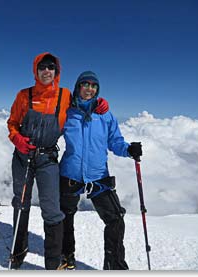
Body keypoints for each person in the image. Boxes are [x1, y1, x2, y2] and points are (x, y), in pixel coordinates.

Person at [7, 53, 110, 270]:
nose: (47, 71)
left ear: (56, 71)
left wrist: (99, 102)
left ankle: (53, 263)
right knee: (21, 202)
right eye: (42, 67)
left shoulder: (64, 96)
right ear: (36, 70)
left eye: (51, 68)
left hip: (47, 159)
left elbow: (85, 102)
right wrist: (17, 139)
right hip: (22, 158)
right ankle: (18, 250)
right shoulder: (24, 95)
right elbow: (13, 123)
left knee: (52, 209)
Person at [59, 71, 142, 270]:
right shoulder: (67, 113)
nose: (89, 88)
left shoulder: (106, 115)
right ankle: (66, 257)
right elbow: (51, 133)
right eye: (85, 84)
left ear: (97, 90)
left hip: (98, 175)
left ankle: (114, 266)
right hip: (70, 173)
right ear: (78, 87)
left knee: (115, 219)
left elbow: (115, 142)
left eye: (93, 85)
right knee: (65, 217)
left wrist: (129, 149)